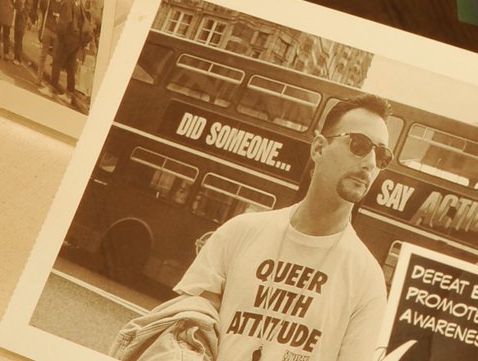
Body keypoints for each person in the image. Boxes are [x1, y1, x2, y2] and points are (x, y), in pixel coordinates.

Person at [160, 95, 390, 361]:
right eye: (359, 145)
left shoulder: (368, 280)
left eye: (382, 155)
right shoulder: (238, 233)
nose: (371, 163)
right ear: (318, 149)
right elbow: (187, 335)